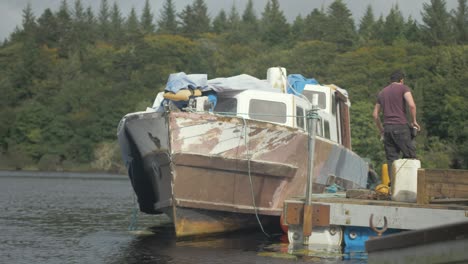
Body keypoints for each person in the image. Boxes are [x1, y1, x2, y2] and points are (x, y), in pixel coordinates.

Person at [373, 70, 420, 185]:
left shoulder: (382, 93)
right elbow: (412, 105)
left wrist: (381, 131)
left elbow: (375, 115)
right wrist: (414, 121)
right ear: (401, 80)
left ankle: (393, 187)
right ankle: (409, 186)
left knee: (391, 160)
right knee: (410, 156)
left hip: (387, 129)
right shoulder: (404, 88)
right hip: (401, 127)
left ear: (391, 80)